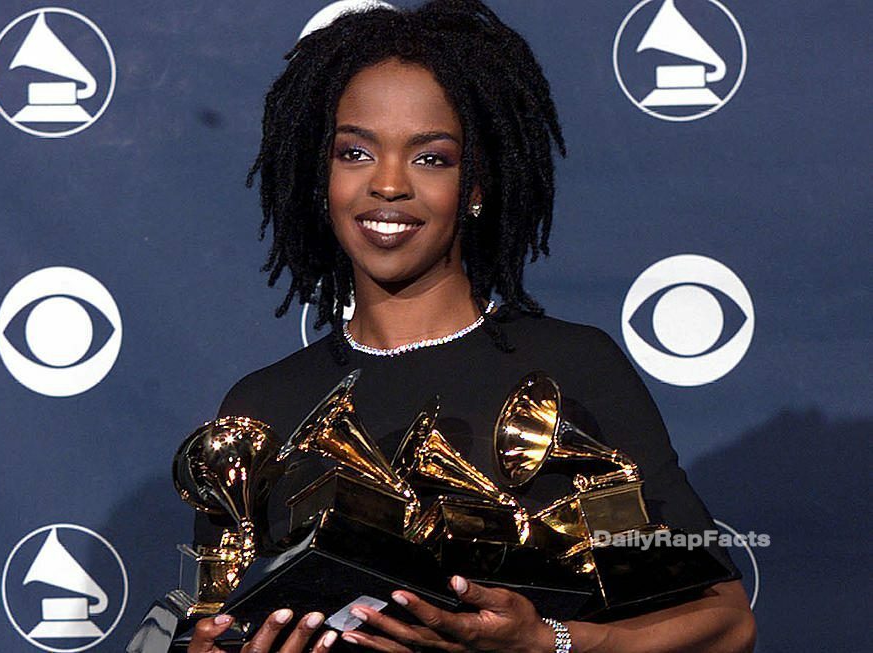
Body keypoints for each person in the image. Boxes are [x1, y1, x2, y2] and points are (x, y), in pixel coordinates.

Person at [188, 1, 756, 651]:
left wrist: (549, 643)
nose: (388, 185)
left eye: (430, 157)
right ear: (323, 179)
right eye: (355, 152)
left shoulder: (573, 369)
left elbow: (724, 622)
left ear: (478, 184)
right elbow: (208, 623)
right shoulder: (259, 405)